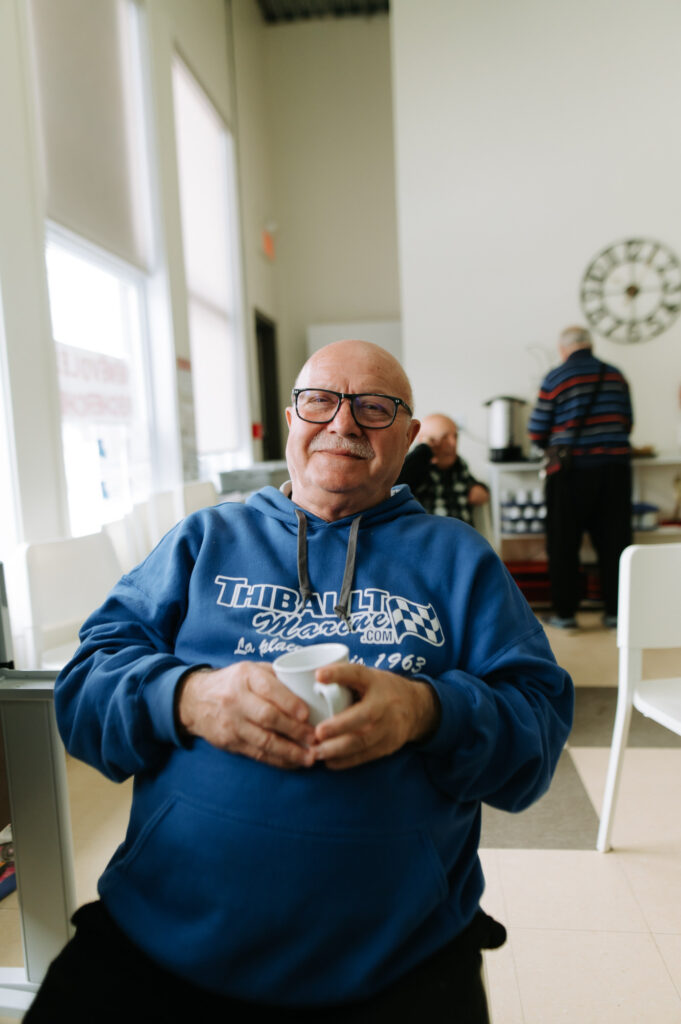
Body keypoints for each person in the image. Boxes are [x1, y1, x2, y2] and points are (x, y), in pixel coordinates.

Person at [27, 340, 573, 1024]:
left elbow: (535, 735)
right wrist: (188, 697)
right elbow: (84, 690)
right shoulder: (205, 539)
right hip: (163, 933)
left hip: (397, 956)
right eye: (321, 401)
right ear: (291, 419)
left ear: (407, 437)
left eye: (373, 408)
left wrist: (426, 710)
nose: (343, 423)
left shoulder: (459, 559)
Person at [527, 325, 633, 630]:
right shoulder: (615, 375)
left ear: (563, 349)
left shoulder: (556, 377)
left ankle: (566, 614)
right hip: (615, 469)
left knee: (563, 543)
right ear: (590, 345)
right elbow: (627, 422)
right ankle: (617, 614)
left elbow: (537, 430)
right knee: (615, 543)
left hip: (570, 472)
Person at [396, 413, 489, 525]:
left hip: (462, 534)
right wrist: (424, 449)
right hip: (431, 533)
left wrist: (481, 488)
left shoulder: (458, 465)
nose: (453, 443)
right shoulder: (418, 467)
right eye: (445, 437)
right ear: (426, 441)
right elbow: (398, 481)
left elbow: (473, 483)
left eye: (455, 436)